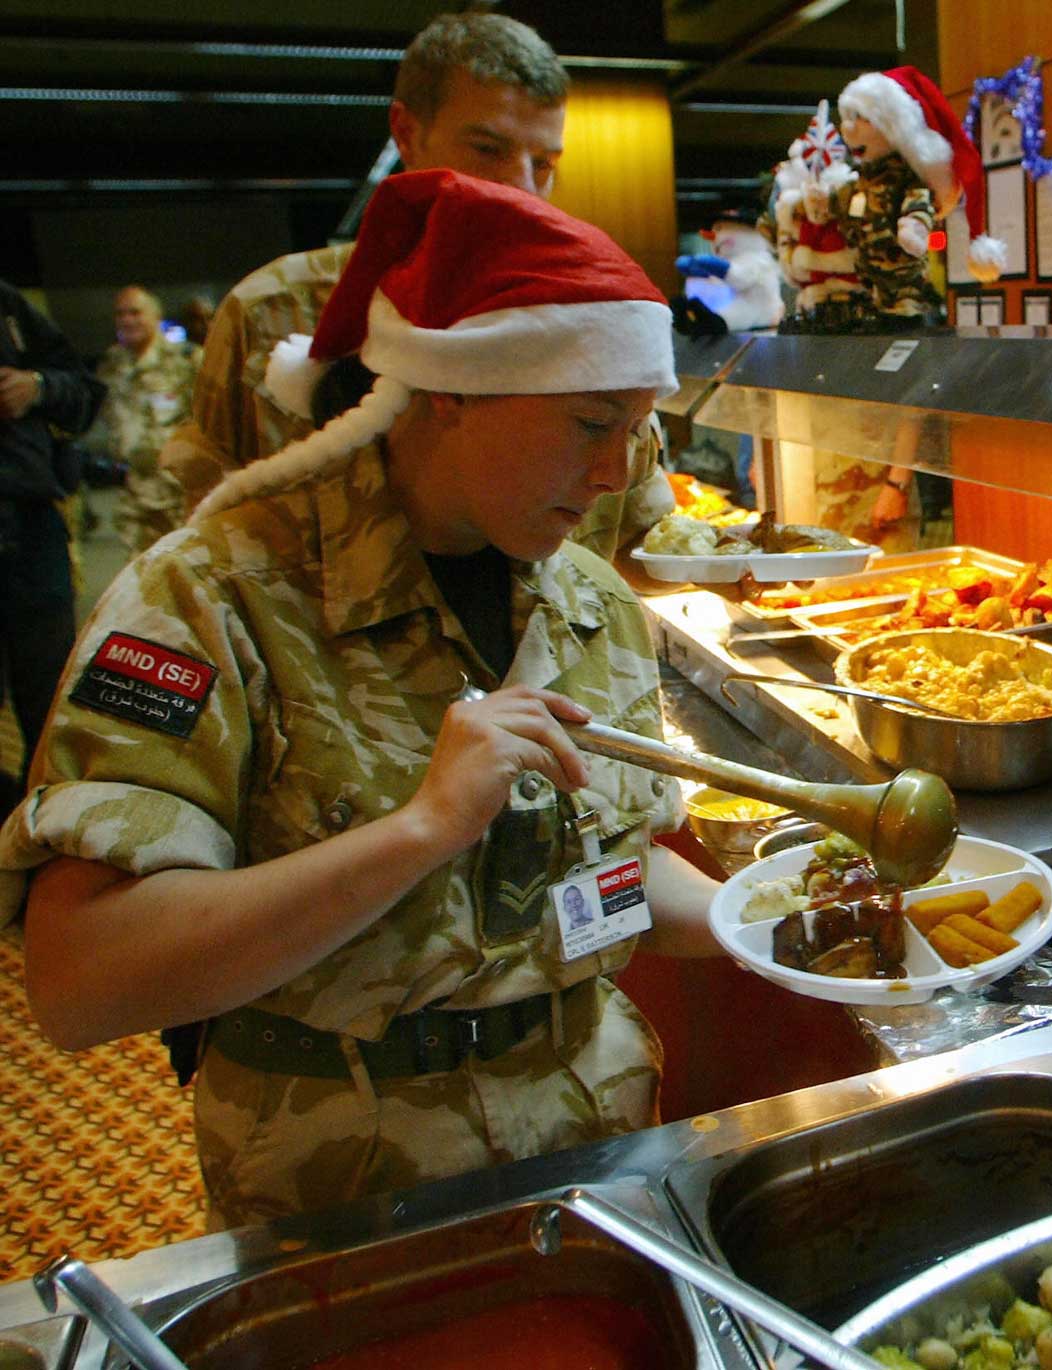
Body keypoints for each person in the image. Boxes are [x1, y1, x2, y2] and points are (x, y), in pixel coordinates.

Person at [0, 170, 724, 1229]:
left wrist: (779, 920)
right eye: (587, 424)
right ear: (448, 391)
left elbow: (600, 874)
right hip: (342, 1186)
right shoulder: (213, 595)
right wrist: (420, 830)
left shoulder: (584, 597)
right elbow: (79, 981)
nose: (619, 473)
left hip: (594, 1149)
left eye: (640, 431)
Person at [156, 10, 674, 564]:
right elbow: (206, 523)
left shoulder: (585, 313)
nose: (522, 187)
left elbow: (634, 538)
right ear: (407, 131)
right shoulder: (275, 310)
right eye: (488, 149)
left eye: (543, 163)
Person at [0, 282, 105, 814]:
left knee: (52, 693)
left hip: (29, 526)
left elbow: (83, 391)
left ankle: (41, 823)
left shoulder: (7, 306)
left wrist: (36, 386)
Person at [84, 285, 203, 554]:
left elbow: (211, 419)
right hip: (135, 493)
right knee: (141, 578)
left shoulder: (186, 360)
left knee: (189, 568)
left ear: (156, 317)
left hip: (181, 493)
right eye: (120, 314)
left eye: (135, 313)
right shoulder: (111, 365)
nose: (127, 320)